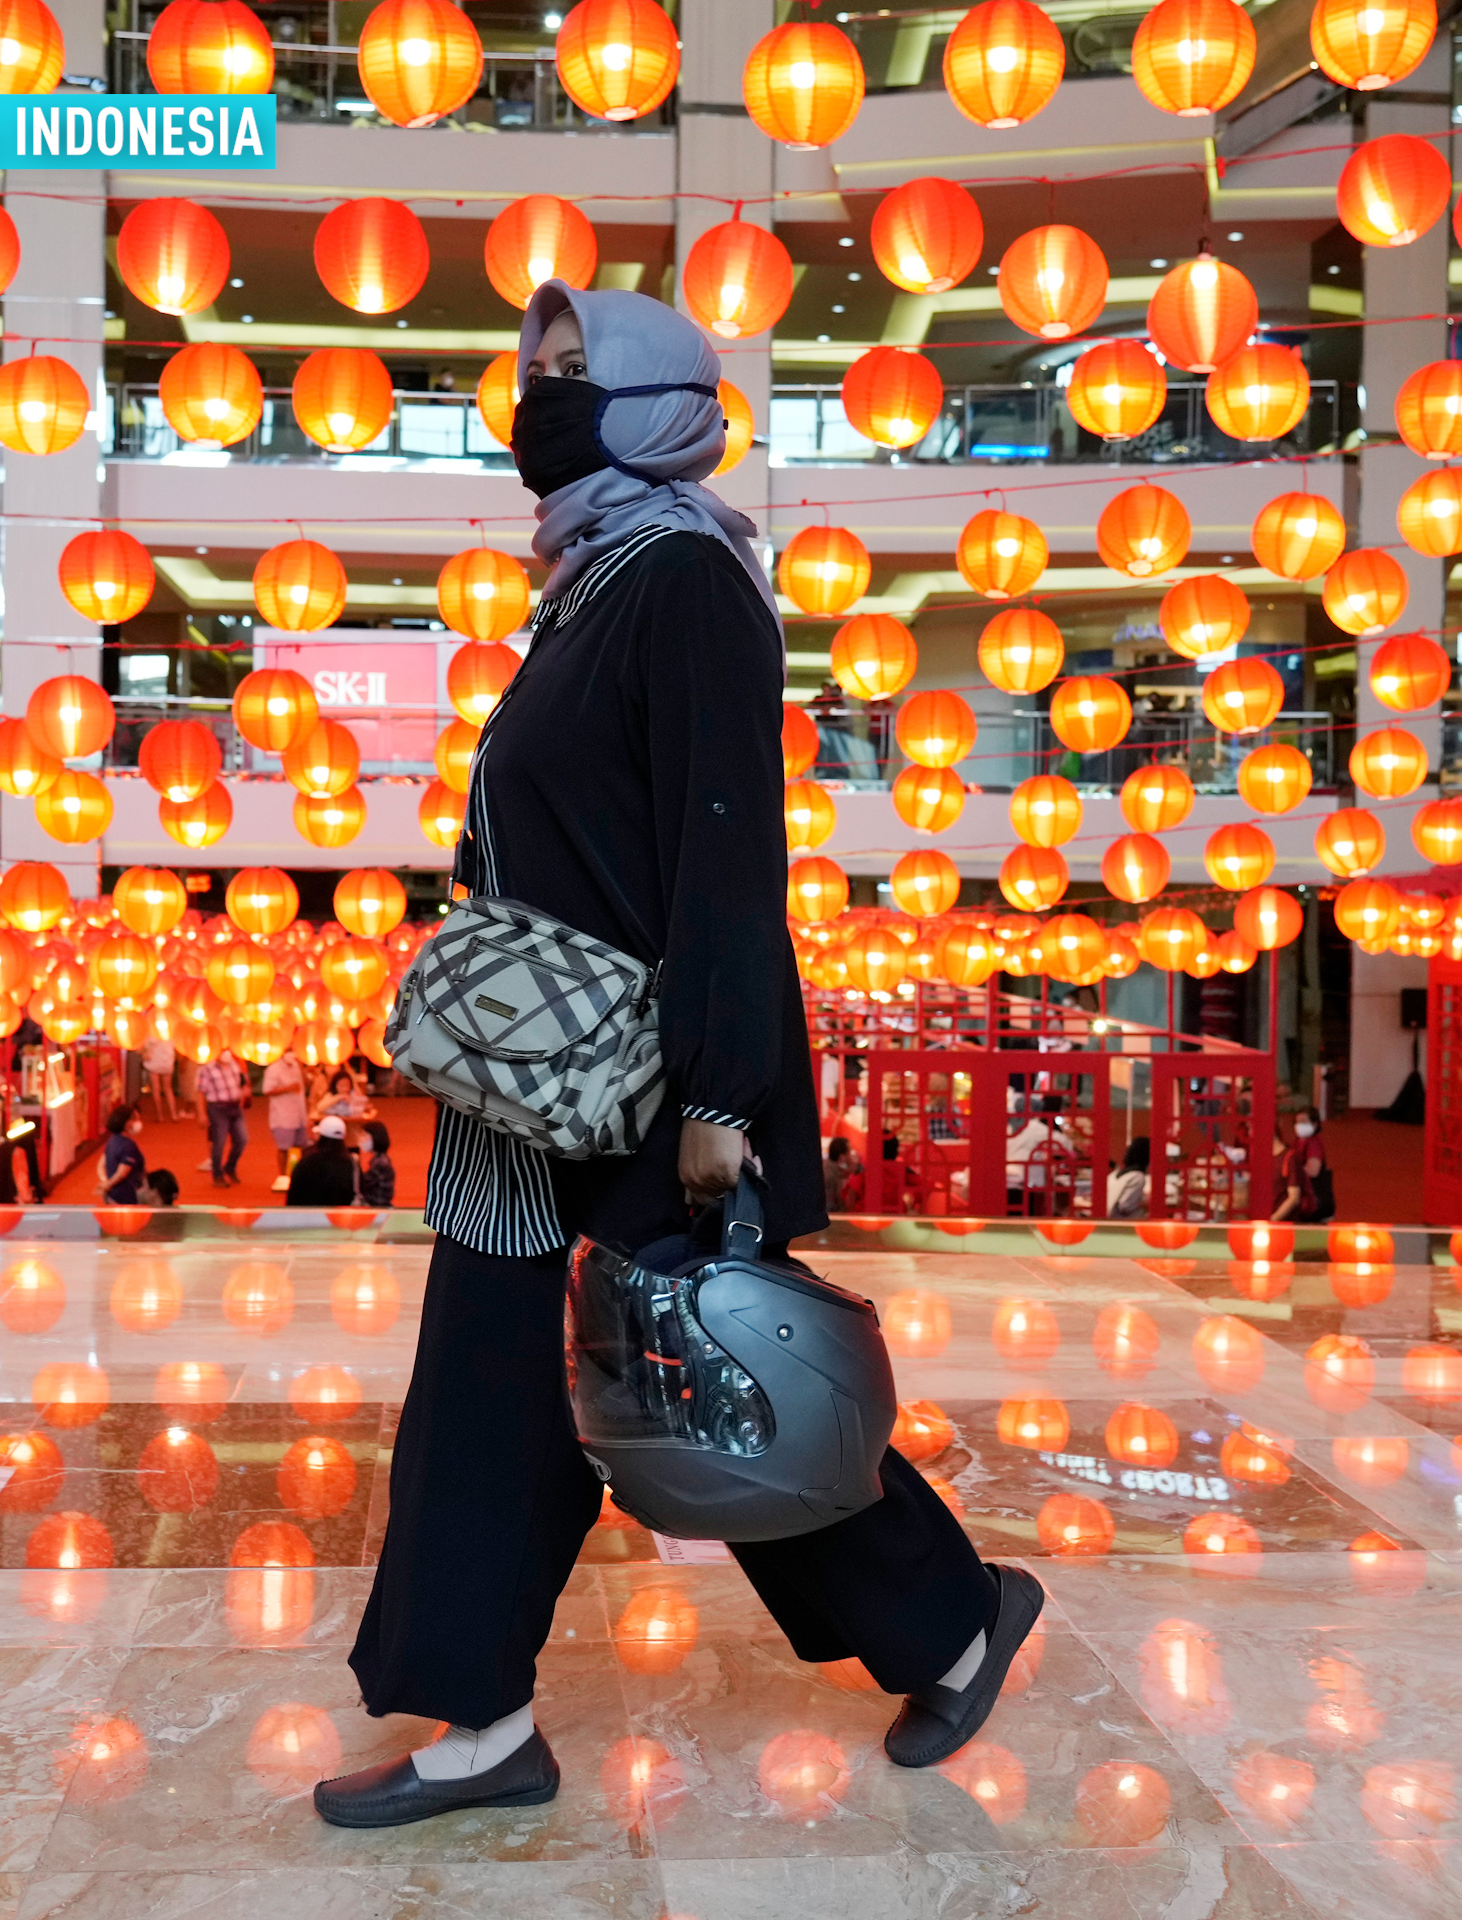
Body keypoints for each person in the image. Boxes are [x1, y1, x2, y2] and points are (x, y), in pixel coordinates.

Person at [315, 282, 1028, 1833]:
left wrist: (719, 1087)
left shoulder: (687, 580)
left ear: (658, 399)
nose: (545, 397)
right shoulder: (581, 584)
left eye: (578, 370)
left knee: (712, 1379)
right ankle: (483, 1721)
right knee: (494, 1389)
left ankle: (955, 1624)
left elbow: (725, 852)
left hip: (643, 1075)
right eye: (536, 371)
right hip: (535, 1078)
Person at [196, 1048, 250, 1189]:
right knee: (219, 1142)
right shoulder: (207, 1069)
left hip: (235, 1107)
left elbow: (241, 1083)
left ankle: (230, 1166)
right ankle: (217, 1175)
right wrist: (201, 1114)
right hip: (218, 1108)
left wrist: (243, 1094)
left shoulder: (234, 1065)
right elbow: (200, 1092)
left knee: (242, 1139)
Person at [1271, 1106, 1333, 1222]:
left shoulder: (1313, 1143)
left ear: (1315, 1124)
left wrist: (1293, 1169)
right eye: (1297, 1122)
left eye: (1304, 1122)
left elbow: (1313, 1170)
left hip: (1313, 1203)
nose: (1299, 1125)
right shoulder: (1299, 1141)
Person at [286, 1114, 360, 1205]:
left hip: (309, 1212)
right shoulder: (351, 1162)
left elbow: (294, 1195)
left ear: (320, 1136)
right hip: (340, 1213)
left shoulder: (307, 1162)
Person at [263, 1051, 310, 1191]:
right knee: (284, 1148)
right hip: (282, 1116)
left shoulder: (296, 1066)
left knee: (301, 1147)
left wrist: (303, 1068)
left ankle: (299, 1177)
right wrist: (288, 1088)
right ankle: (283, 1178)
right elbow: (267, 1090)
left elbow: (306, 1084)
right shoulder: (274, 1069)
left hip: (299, 1114)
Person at [99, 1103, 149, 1204]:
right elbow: (122, 1173)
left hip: (113, 1196)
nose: (138, 1123)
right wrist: (107, 1185)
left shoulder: (112, 1140)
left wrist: (106, 1182)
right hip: (127, 1198)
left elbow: (100, 1166)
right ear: (127, 1123)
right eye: (135, 1119)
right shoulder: (128, 1146)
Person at [1106, 1136, 1150, 1217]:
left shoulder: (1115, 1174)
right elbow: (1126, 1206)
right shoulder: (1137, 1177)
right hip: (1123, 1222)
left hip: (1107, 1219)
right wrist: (1146, 1204)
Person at [358, 1117, 396, 1207]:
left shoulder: (380, 1163)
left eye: (365, 1136)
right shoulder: (379, 1160)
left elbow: (363, 1183)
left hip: (378, 1208)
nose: (362, 1140)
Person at [142, 1031, 178, 1122]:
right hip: (167, 1061)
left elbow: (145, 1044)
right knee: (168, 1088)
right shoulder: (169, 1030)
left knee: (156, 1089)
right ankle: (174, 1115)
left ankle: (160, 1116)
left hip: (154, 1061)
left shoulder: (151, 1032)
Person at [823, 1135, 858, 1212]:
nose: (851, 1155)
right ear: (842, 1156)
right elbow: (839, 1201)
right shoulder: (832, 1175)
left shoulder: (828, 1165)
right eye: (849, 1152)